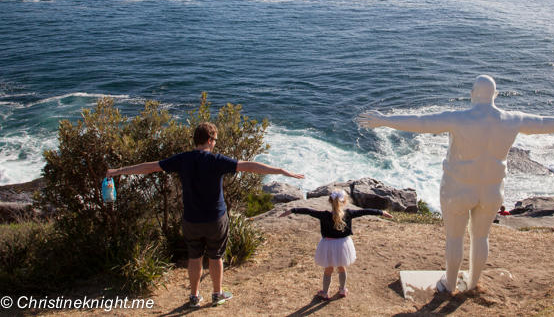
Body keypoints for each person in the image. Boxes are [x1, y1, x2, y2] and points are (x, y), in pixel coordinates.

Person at [357, 75, 554, 292]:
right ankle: (473, 282)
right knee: (481, 236)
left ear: (472, 94)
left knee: (455, 237)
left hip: (458, 188)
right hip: (493, 189)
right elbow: (544, 123)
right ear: (495, 95)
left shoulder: (457, 118)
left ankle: (449, 283)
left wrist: (385, 120)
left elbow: (421, 121)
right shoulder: (513, 119)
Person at [106, 122, 304, 308]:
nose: (215, 144)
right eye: (215, 140)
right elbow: (250, 166)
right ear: (209, 140)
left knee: (195, 257)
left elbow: (150, 167)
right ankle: (217, 294)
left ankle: (194, 297)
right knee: (216, 255)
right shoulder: (216, 161)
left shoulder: (182, 159)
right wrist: (281, 171)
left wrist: (118, 171)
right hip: (215, 219)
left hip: (191, 220)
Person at [280, 189, 393, 300]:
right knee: (341, 267)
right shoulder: (349, 213)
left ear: (330, 201)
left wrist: (292, 210)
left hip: (328, 245)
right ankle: (343, 289)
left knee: (328, 269)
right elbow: (365, 211)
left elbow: (308, 211)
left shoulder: (324, 215)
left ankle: (325, 293)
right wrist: (381, 212)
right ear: (344, 202)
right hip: (343, 245)